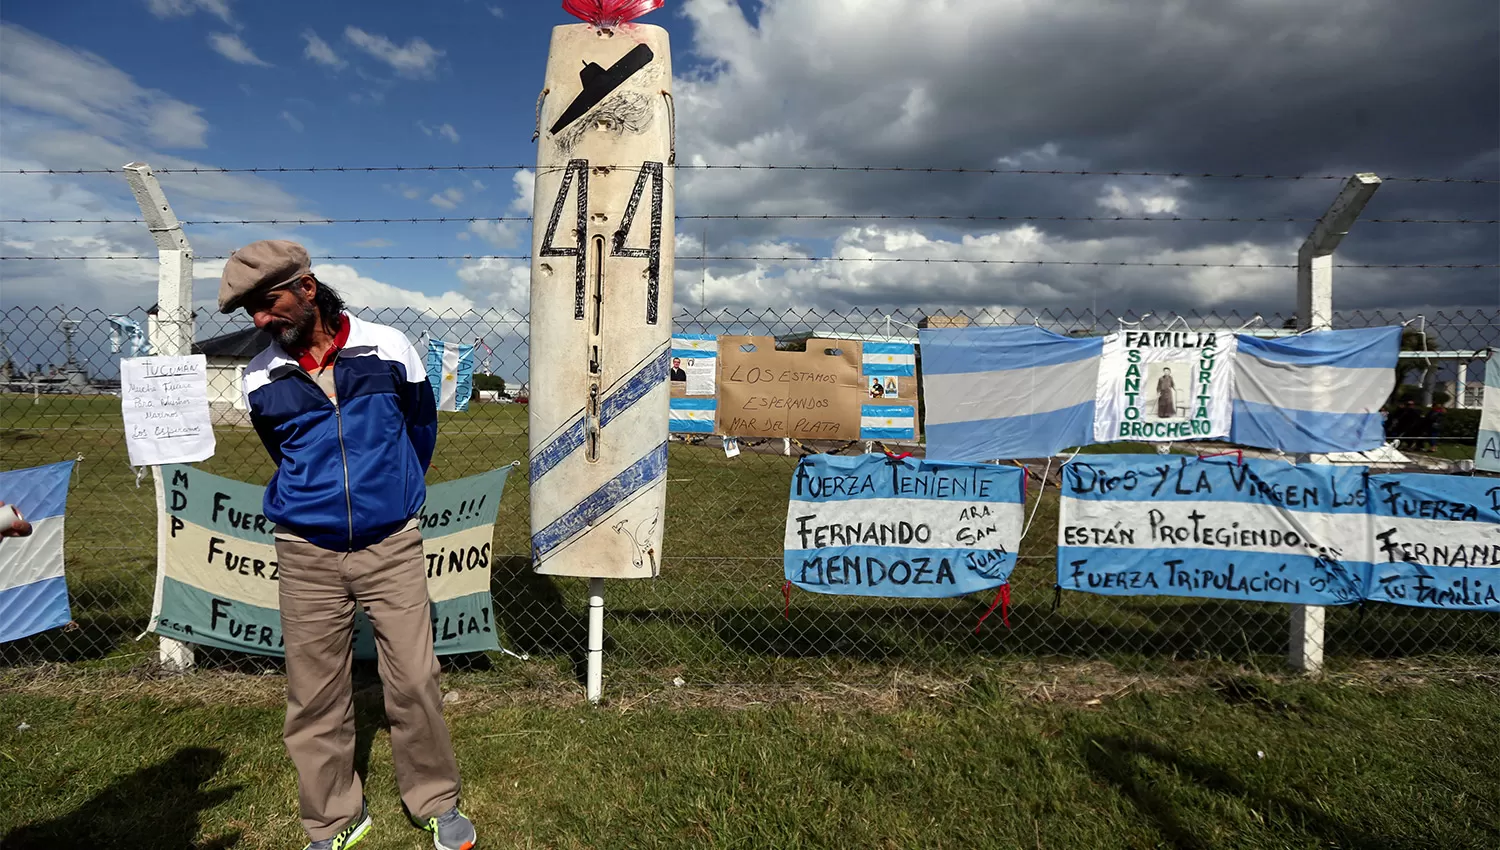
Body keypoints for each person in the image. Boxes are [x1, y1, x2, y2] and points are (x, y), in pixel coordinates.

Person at [220, 240, 476, 850]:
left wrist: (391, 499)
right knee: (313, 692)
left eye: (267, 302)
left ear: (306, 289)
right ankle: (335, 818)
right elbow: (284, 455)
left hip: (390, 544)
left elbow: (419, 432)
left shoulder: (388, 349)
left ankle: (435, 800)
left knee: (414, 677)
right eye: (250, 311)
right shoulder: (260, 377)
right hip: (305, 552)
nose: (260, 321)